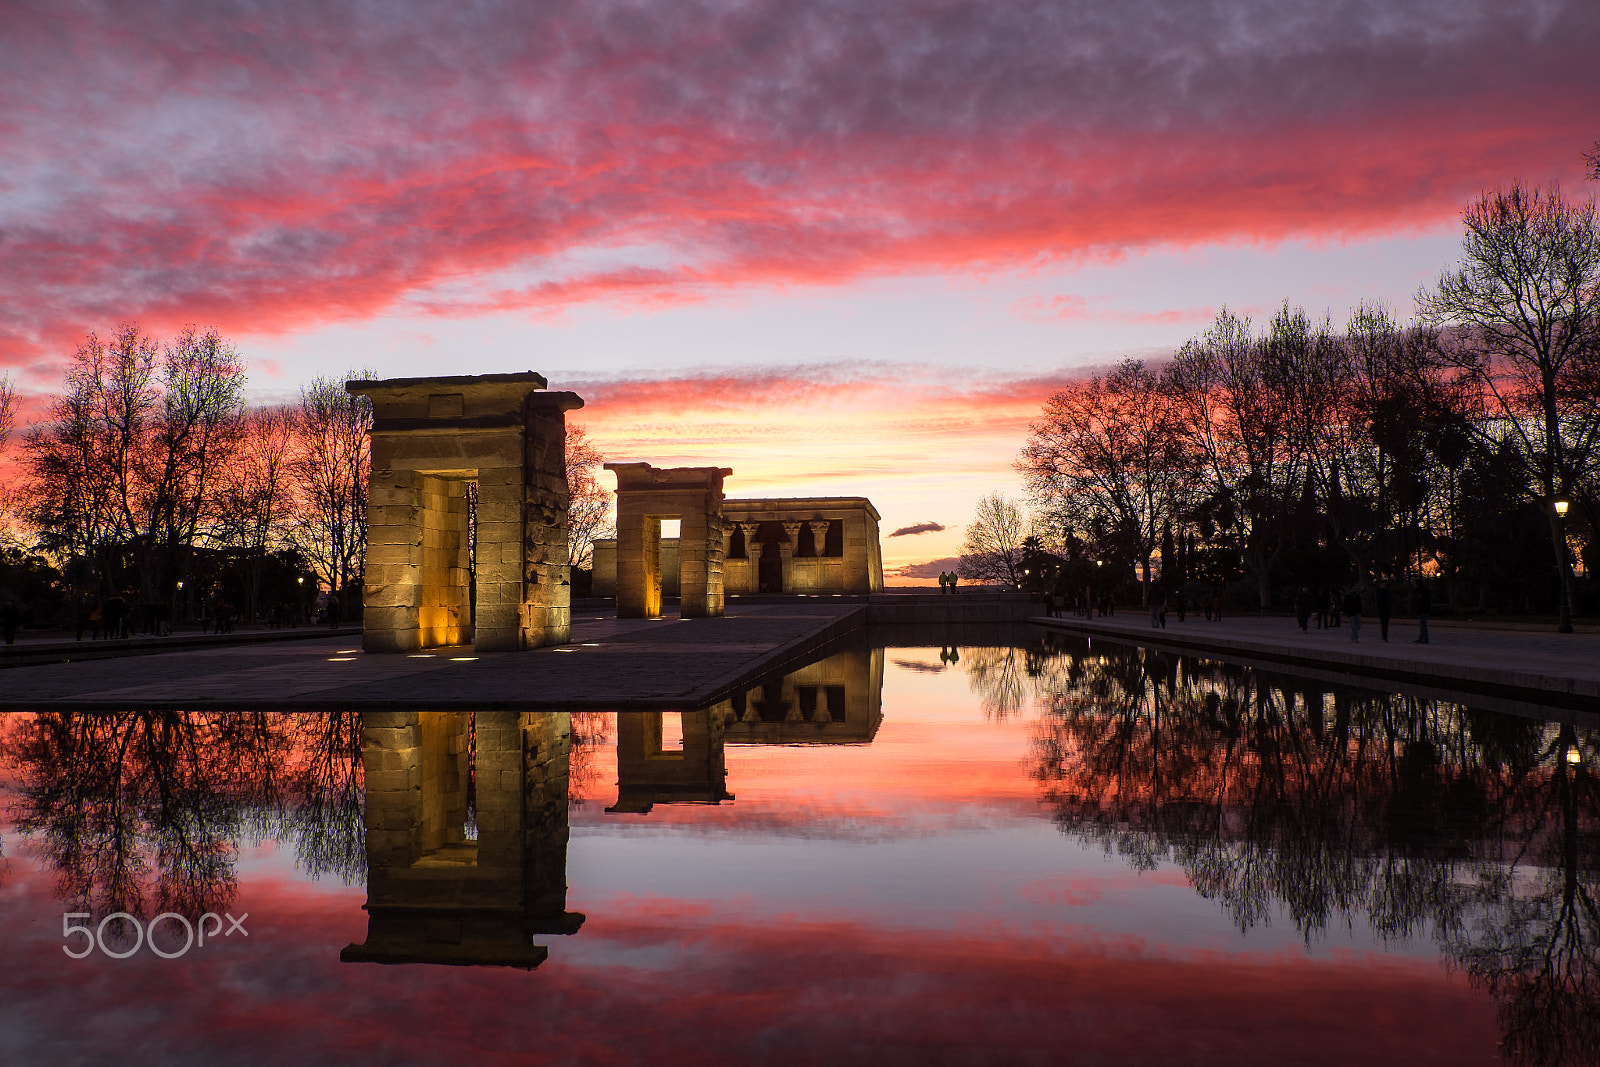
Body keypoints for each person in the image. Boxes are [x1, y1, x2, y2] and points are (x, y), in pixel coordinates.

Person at [1413, 580, 1431, 644]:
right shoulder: (1421, 591)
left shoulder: (1421, 592)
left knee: (1423, 625)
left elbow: (1420, 602)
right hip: (1423, 610)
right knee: (1422, 625)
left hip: (1423, 610)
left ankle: (1425, 639)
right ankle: (1421, 638)